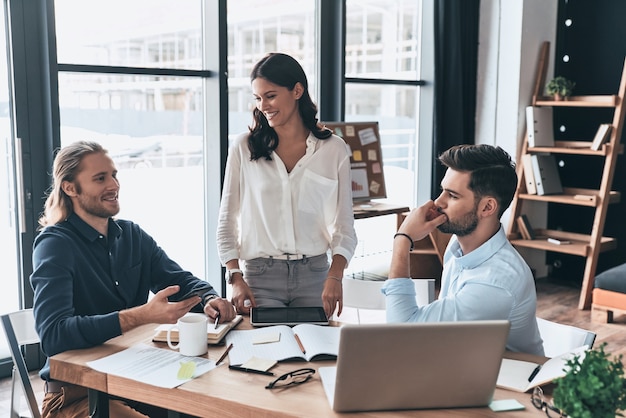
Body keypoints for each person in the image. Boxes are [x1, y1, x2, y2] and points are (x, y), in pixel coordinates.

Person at [31, 141, 236, 418]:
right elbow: (54, 335)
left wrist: (210, 298)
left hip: (136, 380)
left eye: (114, 175)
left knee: (209, 404)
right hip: (76, 395)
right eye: (100, 178)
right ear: (70, 188)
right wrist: (139, 316)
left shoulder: (132, 235)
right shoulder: (55, 245)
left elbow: (180, 281)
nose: (113, 185)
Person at [216, 52, 357, 318]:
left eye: (270, 96)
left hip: (316, 276)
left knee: (314, 356)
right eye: (258, 98)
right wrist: (235, 277)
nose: (263, 106)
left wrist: (335, 276)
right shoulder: (243, 147)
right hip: (259, 277)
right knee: (262, 355)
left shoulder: (334, 149)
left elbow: (344, 225)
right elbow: (227, 220)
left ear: (297, 90)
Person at [382, 144, 544, 355]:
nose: (438, 202)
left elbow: (401, 335)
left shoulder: (494, 283)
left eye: (453, 195)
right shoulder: (459, 244)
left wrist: (403, 240)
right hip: (464, 363)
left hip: (507, 382)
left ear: (487, 207)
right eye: (443, 191)